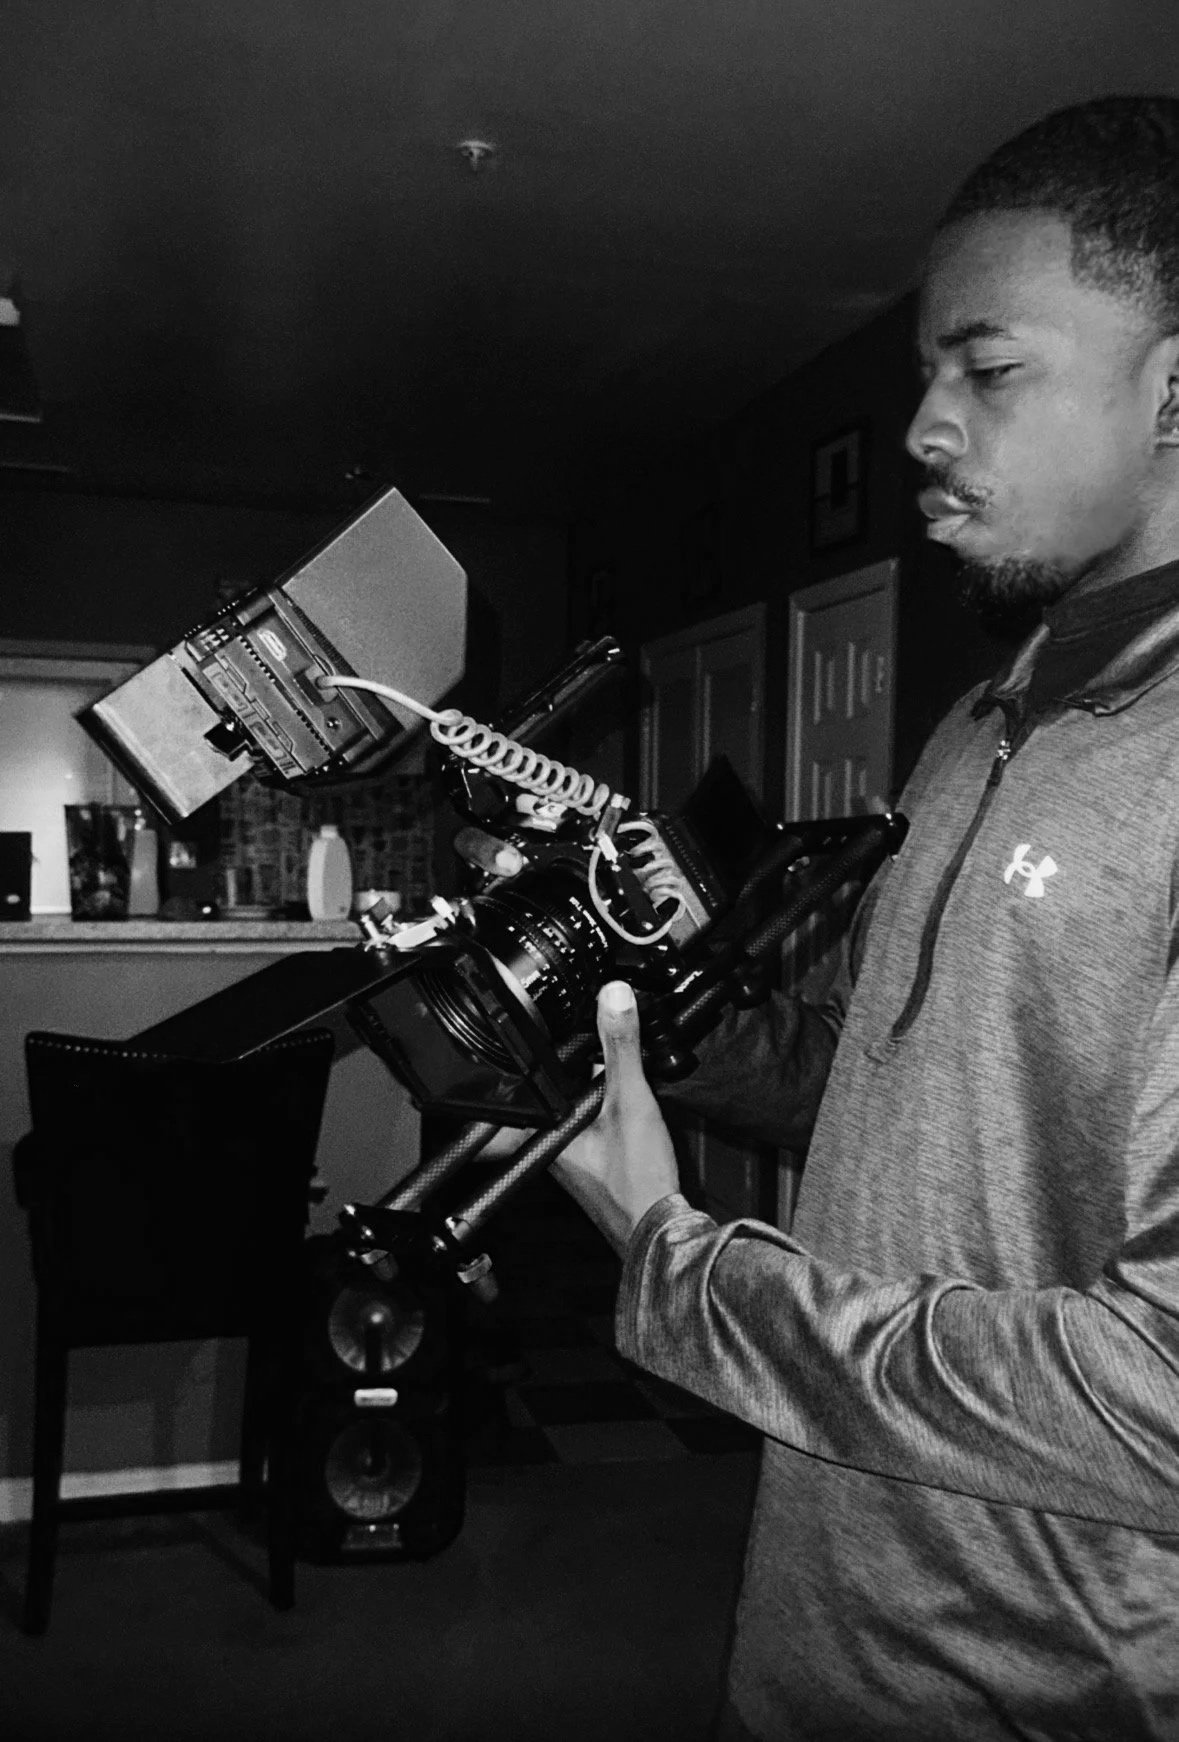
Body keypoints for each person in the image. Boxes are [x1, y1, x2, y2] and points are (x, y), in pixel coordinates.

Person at [549, 97, 1179, 1740]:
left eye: (989, 368)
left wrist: (681, 1266)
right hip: (817, 1628)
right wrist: (650, 1017)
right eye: (923, 373)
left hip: (1044, 1689)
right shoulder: (977, 723)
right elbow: (891, 1085)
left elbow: (1161, 1398)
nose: (922, 425)